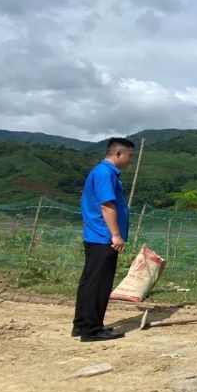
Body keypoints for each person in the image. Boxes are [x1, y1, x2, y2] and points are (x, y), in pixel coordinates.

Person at [71, 137, 135, 342]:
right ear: (118, 154)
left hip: (96, 236)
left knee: (90, 282)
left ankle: (82, 325)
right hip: (103, 237)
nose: (129, 161)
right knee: (99, 284)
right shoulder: (105, 173)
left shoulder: (102, 173)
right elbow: (107, 206)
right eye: (129, 156)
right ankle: (92, 330)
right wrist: (116, 235)